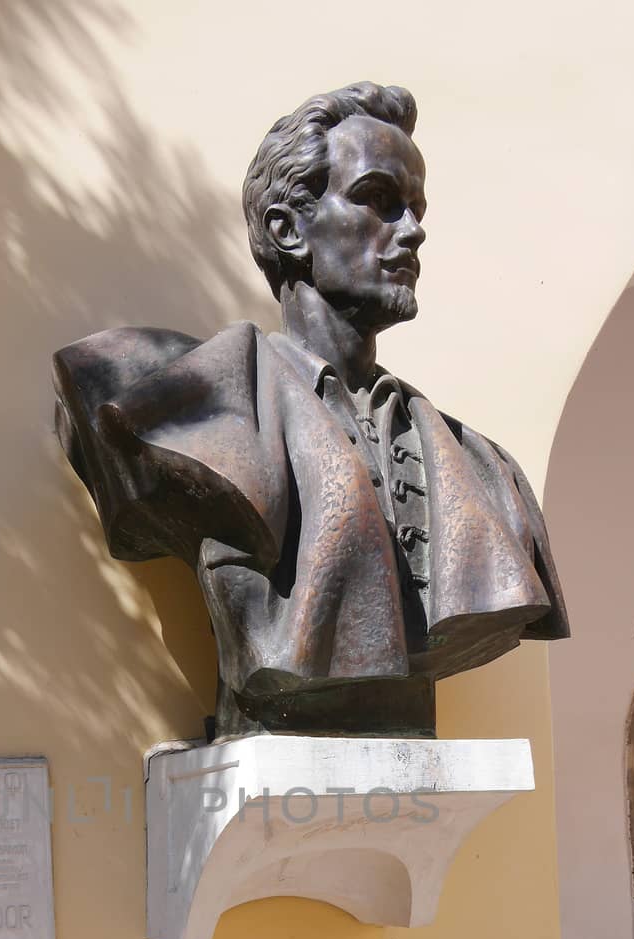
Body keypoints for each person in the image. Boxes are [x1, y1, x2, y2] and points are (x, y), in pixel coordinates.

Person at [53, 82, 568, 738]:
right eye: (378, 200)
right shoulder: (170, 397)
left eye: (415, 209)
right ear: (288, 229)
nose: (412, 232)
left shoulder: (485, 468)